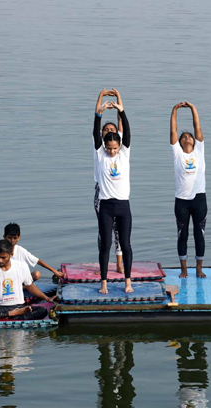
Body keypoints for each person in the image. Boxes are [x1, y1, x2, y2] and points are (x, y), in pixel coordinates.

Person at [94, 95, 134, 294]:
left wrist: (122, 111)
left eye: (114, 148)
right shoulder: (100, 153)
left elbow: (126, 131)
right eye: (109, 148)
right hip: (106, 207)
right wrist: (98, 114)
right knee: (106, 246)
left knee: (125, 244)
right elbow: (95, 134)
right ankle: (104, 282)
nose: (111, 151)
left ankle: (127, 281)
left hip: (123, 206)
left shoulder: (124, 153)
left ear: (119, 147)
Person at [0, 240, 56, 321]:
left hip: (18, 306)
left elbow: (30, 286)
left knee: (43, 311)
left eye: (3, 258)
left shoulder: (21, 266)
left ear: (11, 254)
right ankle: (12, 314)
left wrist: (47, 298)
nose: (0, 260)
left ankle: (6, 315)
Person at [171, 101, 207, 279]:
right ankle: (184, 269)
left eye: (189, 136)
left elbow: (197, 127)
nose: (187, 138)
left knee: (199, 234)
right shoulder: (177, 153)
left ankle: (199, 268)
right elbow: (173, 132)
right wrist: (175, 110)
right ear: (179, 143)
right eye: (184, 137)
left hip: (199, 198)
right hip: (181, 200)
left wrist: (193, 108)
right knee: (182, 235)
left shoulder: (199, 151)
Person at [94, 88, 124, 274]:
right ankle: (103, 263)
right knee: (103, 230)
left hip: (119, 192)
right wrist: (101, 98)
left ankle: (120, 263)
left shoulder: (120, 149)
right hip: (101, 191)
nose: (109, 132)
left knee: (119, 230)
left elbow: (122, 123)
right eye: (106, 130)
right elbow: (96, 124)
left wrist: (119, 99)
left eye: (112, 130)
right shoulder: (99, 149)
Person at [0, 223, 64, 281]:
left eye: (15, 238)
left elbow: (38, 261)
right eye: (9, 237)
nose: (12, 241)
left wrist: (54, 271)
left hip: (16, 279)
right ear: (4, 237)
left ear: (19, 238)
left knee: (36, 274)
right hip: (1, 279)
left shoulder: (21, 250)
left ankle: (23, 287)